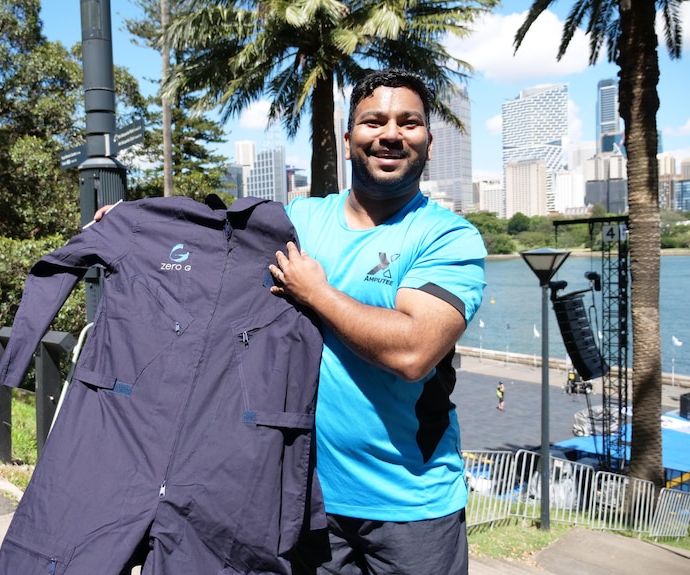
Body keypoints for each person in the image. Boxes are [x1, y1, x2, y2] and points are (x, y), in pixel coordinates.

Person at [96, 68, 486, 575]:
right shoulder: (300, 221)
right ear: (348, 141)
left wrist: (317, 293)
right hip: (302, 497)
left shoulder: (448, 237)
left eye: (408, 123)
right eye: (374, 121)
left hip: (411, 509)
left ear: (429, 143)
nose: (390, 134)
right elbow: (215, 239)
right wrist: (136, 220)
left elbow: (413, 352)